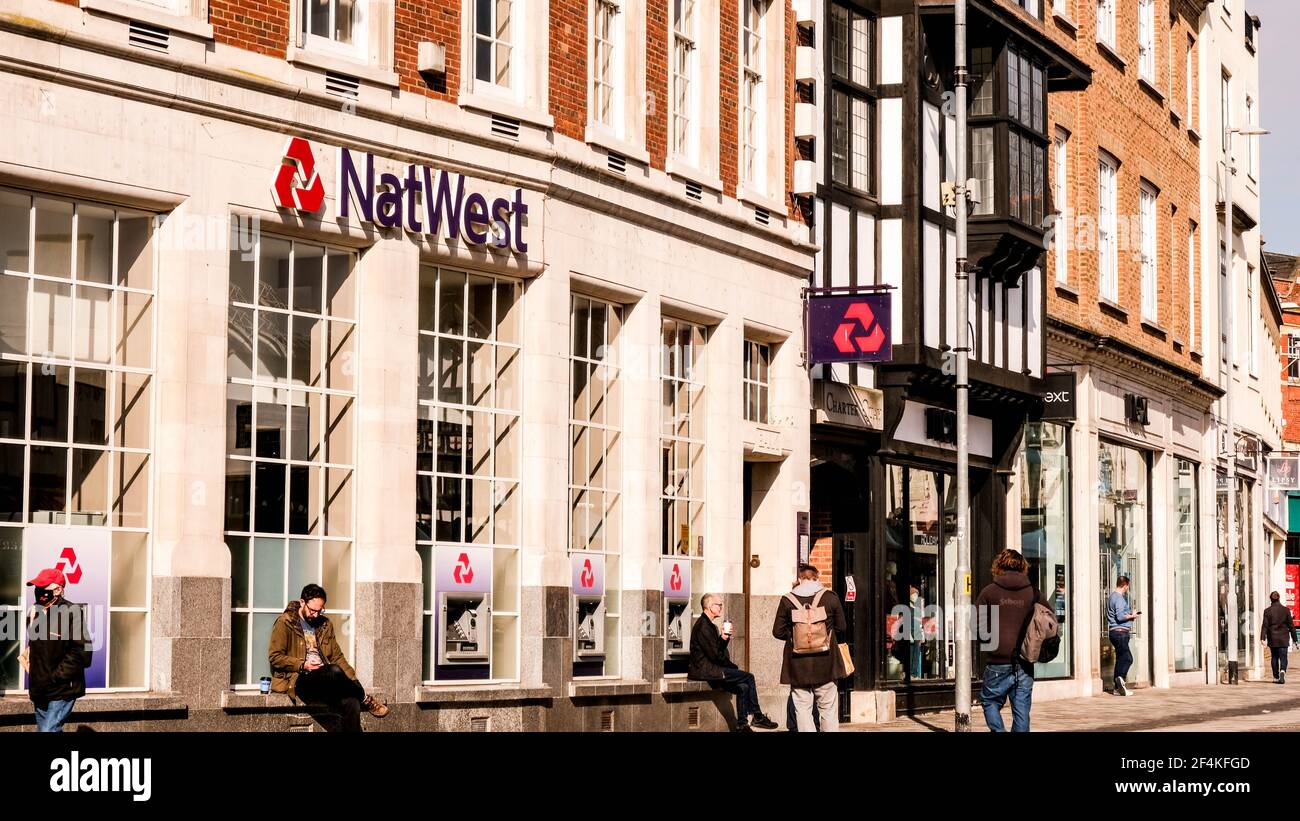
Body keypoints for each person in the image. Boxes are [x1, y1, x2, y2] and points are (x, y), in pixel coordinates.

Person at [268, 583, 389, 732]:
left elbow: (337, 656)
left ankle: (360, 697)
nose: (316, 614)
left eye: (320, 610)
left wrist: (354, 681)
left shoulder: (325, 625)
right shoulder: (285, 622)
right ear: (302, 603)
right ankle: (365, 698)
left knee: (352, 702)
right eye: (312, 610)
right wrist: (303, 664)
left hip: (326, 678)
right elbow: (275, 657)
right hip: (300, 679)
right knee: (334, 670)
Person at [773, 563, 847, 732]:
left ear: (800, 579)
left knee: (803, 709)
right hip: (827, 663)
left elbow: (777, 631)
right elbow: (842, 627)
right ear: (817, 578)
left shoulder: (787, 600)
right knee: (828, 709)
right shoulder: (830, 597)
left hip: (798, 666)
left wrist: (794, 637)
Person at [687, 593, 778, 732]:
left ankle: (742, 725)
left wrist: (724, 637)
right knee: (749, 677)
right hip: (706, 671)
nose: (721, 608)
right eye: (719, 605)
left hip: (712, 668)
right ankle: (757, 716)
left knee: (743, 687)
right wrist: (733, 667)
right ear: (710, 606)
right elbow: (715, 656)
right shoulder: (703, 626)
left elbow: (716, 650)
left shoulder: (708, 625)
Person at [974, 549, 1040, 732]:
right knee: (1021, 708)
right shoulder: (1033, 592)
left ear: (999, 565)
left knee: (989, 701)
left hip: (998, 659)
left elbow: (976, 625)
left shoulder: (989, 592)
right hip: (1025, 661)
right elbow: (1049, 620)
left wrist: (991, 643)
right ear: (1022, 566)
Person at [24, 568, 92, 733]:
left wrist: (56, 676)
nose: (38, 591)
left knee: (48, 731)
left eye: (43, 587)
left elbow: (83, 652)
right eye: (37, 588)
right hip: (39, 689)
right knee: (45, 730)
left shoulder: (71, 611)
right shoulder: (34, 612)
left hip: (62, 688)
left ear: (58, 590)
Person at [1107, 575, 1140, 696]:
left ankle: (1117, 689)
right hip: (1120, 632)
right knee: (1127, 658)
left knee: (1121, 658)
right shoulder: (1119, 598)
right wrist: (1133, 616)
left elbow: (1118, 614)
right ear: (1125, 586)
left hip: (1114, 632)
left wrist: (1129, 614)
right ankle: (1121, 680)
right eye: (1127, 586)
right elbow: (1120, 617)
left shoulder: (1111, 597)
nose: (1127, 589)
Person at [1260, 591, 1298, 684]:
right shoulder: (1286, 610)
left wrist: (1262, 638)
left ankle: (1276, 677)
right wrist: (1295, 640)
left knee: (1274, 657)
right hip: (1284, 638)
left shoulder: (1267, 611)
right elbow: (1291, 626)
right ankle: (1282, 670)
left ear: (1271, 599)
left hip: (1273, 638)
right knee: (1283, 657)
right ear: (1279, 598)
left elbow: (1265, 625)